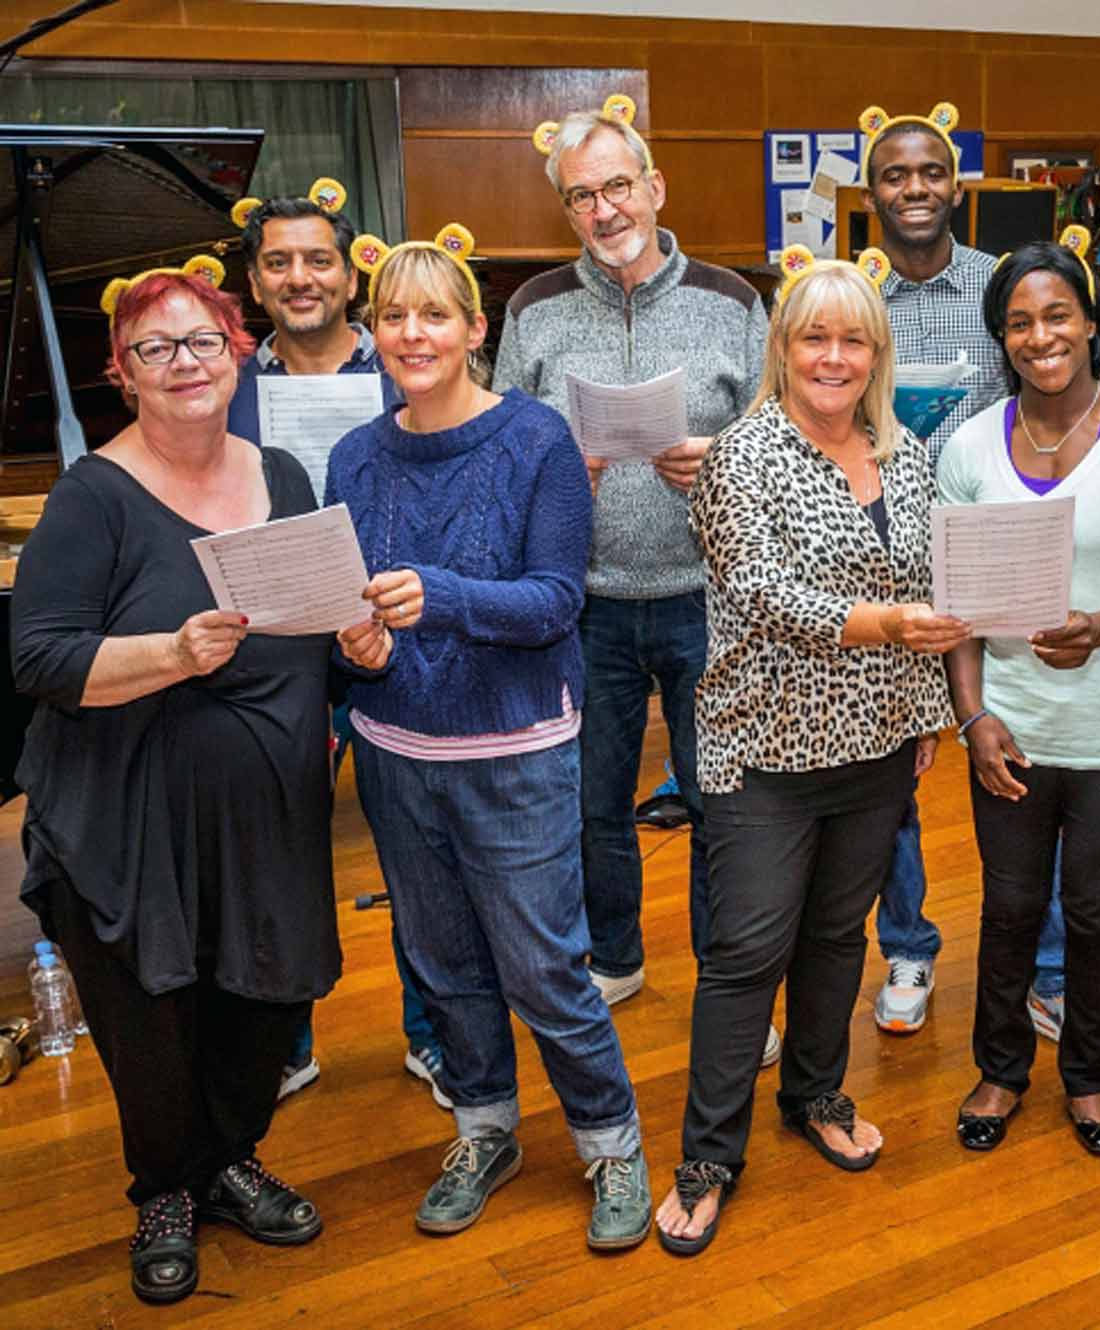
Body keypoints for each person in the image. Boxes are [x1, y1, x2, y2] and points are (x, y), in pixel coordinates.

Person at [13, 257, 381, 1304]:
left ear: (239, 354)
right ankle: (166, 1188)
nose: (185, 363)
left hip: (268, 807)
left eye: (204, 341)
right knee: (153, 1014)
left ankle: (229, 1157)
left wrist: (356, 635)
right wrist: (172, 653)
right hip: (128, 814)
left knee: (263, 995)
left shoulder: (286, 475)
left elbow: (317, 622)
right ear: (121, 373)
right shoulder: (94, 496)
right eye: (156, 348)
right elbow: (38, 659)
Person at [329, 226, 651, 1252]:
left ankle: (612, 1142)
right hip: (395, 753)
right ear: (372, 332)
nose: (411, 333)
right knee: (441, 964)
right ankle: (484, 1130)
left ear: (475, 330)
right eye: (392, 314)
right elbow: (353, 628)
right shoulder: (352, 455)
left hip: (512, 752)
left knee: (546, 970)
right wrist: (361, 649)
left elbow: (555, 600)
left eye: (434, 313)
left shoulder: (535, 439)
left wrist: (445, 595)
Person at [656, 250, 964, 1256]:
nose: (832, 357)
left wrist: (923, 712)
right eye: (812, 337)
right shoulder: (740, 455)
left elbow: (930, 578)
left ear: (875, 354)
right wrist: (887, 626)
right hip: (764, 749)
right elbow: (759, 594)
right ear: (781, 349)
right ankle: (708, 1156)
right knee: (746, 953)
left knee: (839, 938)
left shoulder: (903, 452)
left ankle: (816, 1093)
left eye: (852, 339)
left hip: (875, 745)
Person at [498, 96, 772, 1041]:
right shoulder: (532, 310)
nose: (605, 209)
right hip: (586, 603)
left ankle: (725, 976)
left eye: (619, 186)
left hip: (711, 597)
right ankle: (613, 956)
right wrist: (551, 465)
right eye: (583, 196)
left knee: (720, 801)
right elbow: (500, 446)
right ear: (567, 211)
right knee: (593, 800)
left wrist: (720, 458)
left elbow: (779, 445)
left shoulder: (736, 301)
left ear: (654, 187)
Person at [944, 234, 1100, 1158]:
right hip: (1010, 727)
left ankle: (1087, 1076)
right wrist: (973, 717)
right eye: (1019, 322)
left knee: (1096, 911)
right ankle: (1001, 1068)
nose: (1040, 336)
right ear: (1000, 339)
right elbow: (961, 611)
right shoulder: (971, 447)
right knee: (1010, 908)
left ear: (1092, 322)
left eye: (1058, 315)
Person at [222, 178, 442, 1109]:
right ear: (256, 279)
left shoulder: (407, 367)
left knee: (419, 853)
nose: (300, 278)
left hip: (395, 635)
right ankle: (288, 1040)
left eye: (318, 259)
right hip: (275, 651)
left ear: (350, 276)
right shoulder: (227, 386)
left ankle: (432, 1035)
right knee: (276, 851)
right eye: (279, 262)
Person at [858, 100, 1007, 1037]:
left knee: (1021, 752)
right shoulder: (854, 291)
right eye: (894, 175)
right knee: (887, 776)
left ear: (957, 185)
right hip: (882, 565)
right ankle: (908, 947)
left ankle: (1039, 960)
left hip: (995, 554)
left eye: (930, 173)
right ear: (870, 192)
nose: (914, 190)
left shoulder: (999, 284)